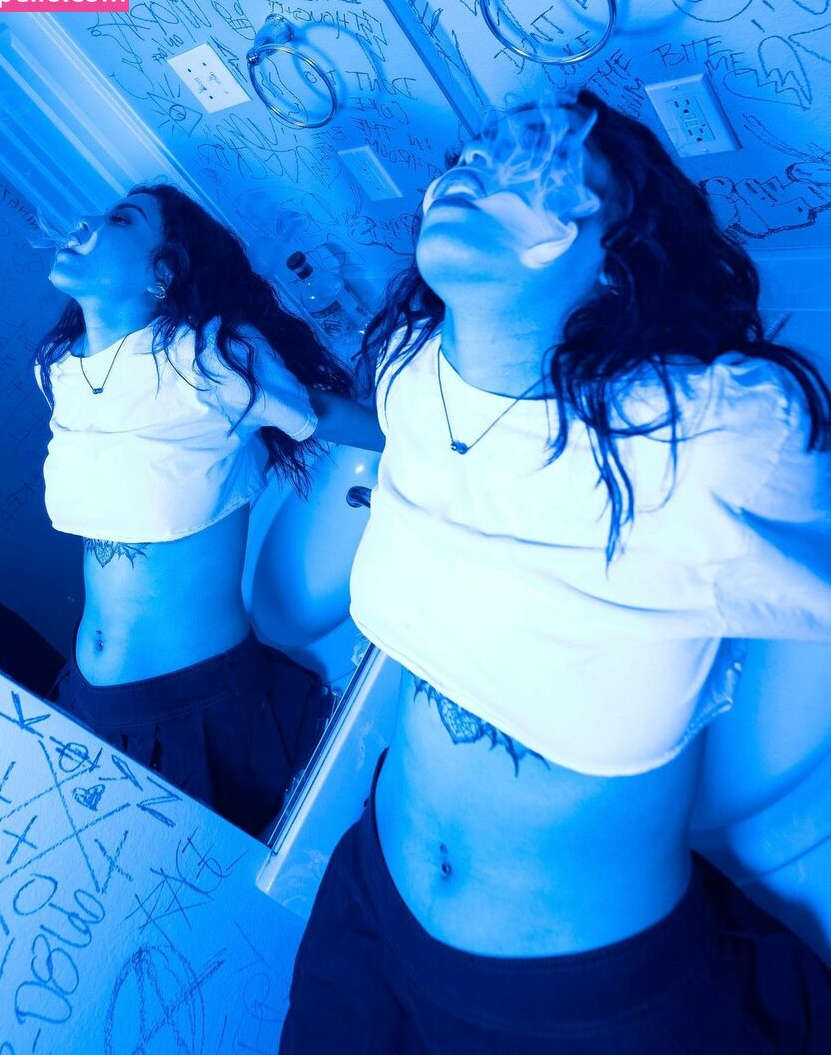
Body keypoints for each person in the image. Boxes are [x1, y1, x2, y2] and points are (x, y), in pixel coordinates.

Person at [279, 90, 831, 1050]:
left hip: (582, 1003)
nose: (476, 170)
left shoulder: (708, 437)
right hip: (368, 908)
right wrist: (292, 408)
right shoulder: (409, 366)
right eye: (472, 155)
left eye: (541, 165)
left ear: (616, 263)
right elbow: (452, 458)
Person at [35, 183, 382, 838]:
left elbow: (315, 413)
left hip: (195, 705)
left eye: (121, 219)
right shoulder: (60, 368)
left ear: (161, 274)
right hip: (88, 697)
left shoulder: (210, 355)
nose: (85, 222)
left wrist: (430, 442)